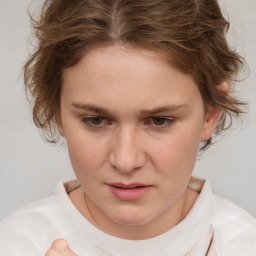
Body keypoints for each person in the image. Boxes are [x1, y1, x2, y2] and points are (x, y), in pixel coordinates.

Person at [0, 0, 255, 255]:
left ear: (210, 114)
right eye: (96, 120)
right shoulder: (16, 244)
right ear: (58, 112)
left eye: (159, 121)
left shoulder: (244, 244)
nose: (125, 161)